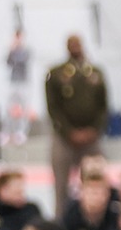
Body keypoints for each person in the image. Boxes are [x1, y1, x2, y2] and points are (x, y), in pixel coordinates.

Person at [45, 35, 108, 219]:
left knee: (96, 181)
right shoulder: (56, 73)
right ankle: (62, 221)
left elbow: (103, 106)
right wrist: (68, 131)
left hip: (92, 136)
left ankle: (96, 219)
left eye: (77, 43)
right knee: (61, 186)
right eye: (71, 44)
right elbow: (53, 107)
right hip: (64, 136)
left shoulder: (95, 73)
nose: (75, 47)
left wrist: (94, 130)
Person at [3, 29, 33, 147]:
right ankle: (8, 131)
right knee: (10, 107)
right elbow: (8, 63)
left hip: (23, 82)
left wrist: (17, 50)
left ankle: (21, 131)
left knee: (24, 108)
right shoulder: (11, 50)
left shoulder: (26, 50)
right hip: (13, 81)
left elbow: (22, 62)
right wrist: (11, 50)